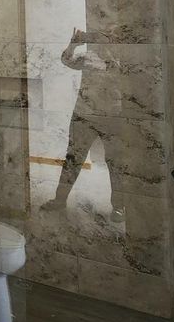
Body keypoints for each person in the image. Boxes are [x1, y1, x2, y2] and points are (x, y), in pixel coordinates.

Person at [42, 27, 125, 222]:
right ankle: (59, 200)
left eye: (109, 36)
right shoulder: (89, 56)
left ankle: (119, 207)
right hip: (83, 115)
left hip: (112, 117)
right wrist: (73, 44)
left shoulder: (121, 59)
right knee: (73, 158)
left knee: (115, 162)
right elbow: (66, 60)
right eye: (101, 36)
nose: (103, 39)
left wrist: (114, 55)